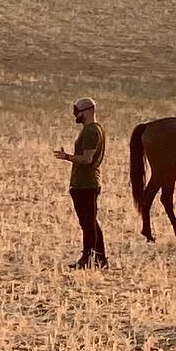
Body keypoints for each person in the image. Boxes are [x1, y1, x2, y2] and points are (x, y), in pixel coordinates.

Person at [54, 96, 108, 268]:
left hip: (86, 183)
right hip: (86, 183)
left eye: (77, 111)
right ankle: (99, 259)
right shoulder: (94, 129)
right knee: (91, 222)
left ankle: (87, 259)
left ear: (86, 112)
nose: (75, 115)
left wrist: (67, 157)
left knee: (87, 224)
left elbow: (87, 158)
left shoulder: (91, 131)